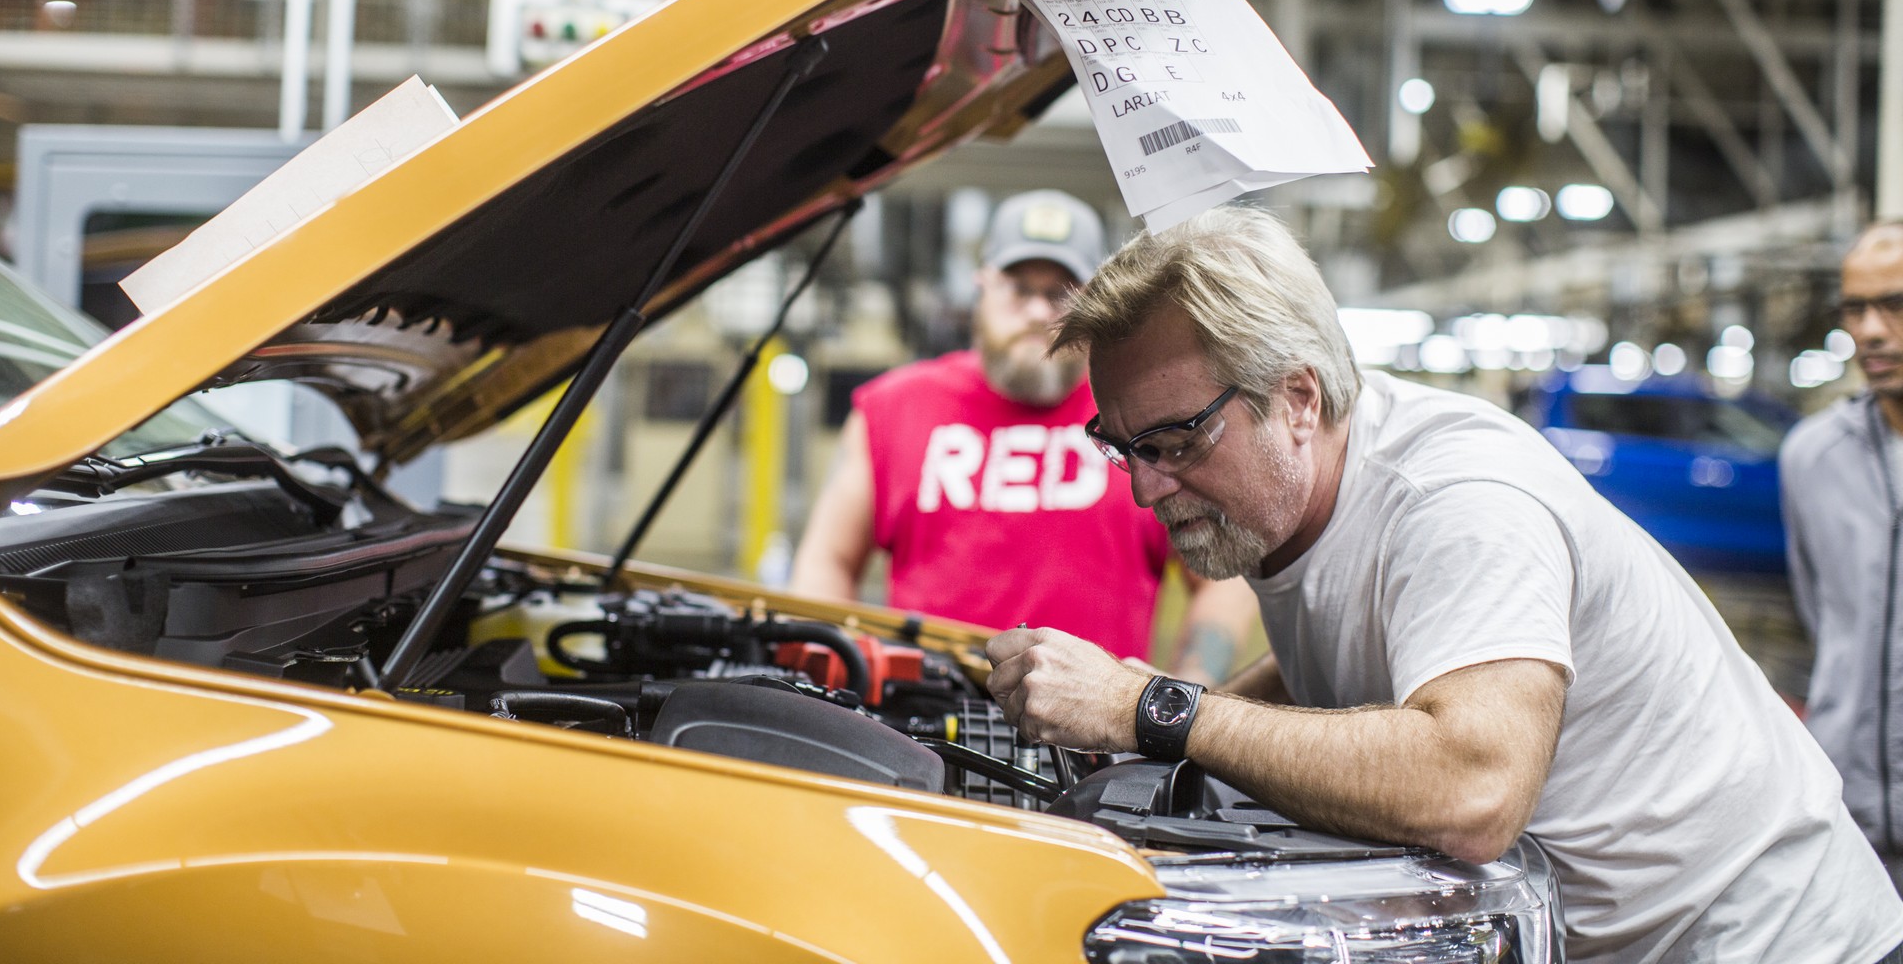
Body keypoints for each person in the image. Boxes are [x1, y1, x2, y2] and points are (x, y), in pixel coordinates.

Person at [987, 203, 1903, 964]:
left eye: (1177, 441)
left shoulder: (1456, 502)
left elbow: (1473, 789)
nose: (1146, 487)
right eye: (1123, 446)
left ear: (1299, 398)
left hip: (1779, 939)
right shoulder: (1302, 486)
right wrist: (1173, 720)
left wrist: (1159, 711)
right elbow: (1349, 655)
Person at [790, 189, 1257, 683]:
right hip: (919, 717)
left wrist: (1182, 696)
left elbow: (1224, 581)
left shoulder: (1145, 422)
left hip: (1091, 728)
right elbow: (828, 561)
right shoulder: (893, 410)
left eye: (1060, 293)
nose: (1037, 312)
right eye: (1019, 288)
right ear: (983, 286)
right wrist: (834, 683)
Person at [1783, 219, 1903, 889]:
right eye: (1856, 309)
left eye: (1896, 304)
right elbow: (1824, 619)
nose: (1871, 331)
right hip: (1849, 823)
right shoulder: (1813, 456)